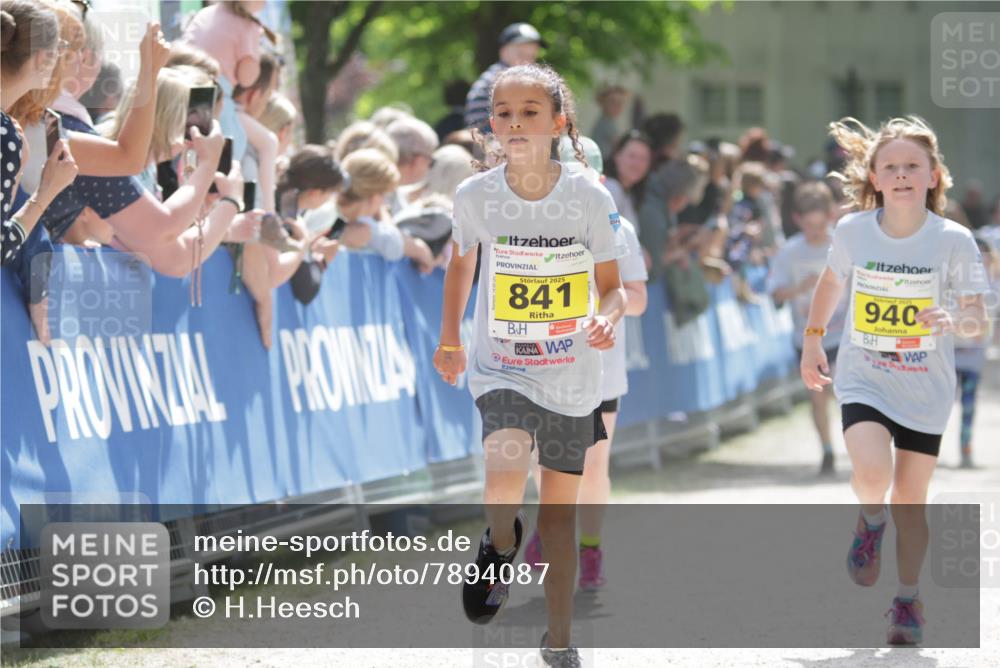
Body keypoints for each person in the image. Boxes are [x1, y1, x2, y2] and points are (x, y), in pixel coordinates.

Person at [434, 63, 625, 667]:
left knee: (559, 522)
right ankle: (497, 543)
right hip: (502, 366)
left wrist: (608, 317)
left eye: (530, 113)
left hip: (571, 375)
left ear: (558, 123)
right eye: (505, 113)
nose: (515, 123)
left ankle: (561, 638)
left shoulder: (588, 197)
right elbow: (460, 267)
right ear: (491, 125)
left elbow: (613, 287)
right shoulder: (475, 195)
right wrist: (450, 340)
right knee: (504, 461)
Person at [800, 116, 990, 645]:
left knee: (912, 499)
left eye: (913, 166)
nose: (902, 174)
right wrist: (813, 339)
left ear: (933, 176)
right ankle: (869, 518)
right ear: (875, 179)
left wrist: (956, 320)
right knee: (869, 468)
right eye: (891, 167)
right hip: (866, 375)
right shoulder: (854, 230)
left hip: (926, 388)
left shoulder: (954, 240)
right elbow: (831, 282)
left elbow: (981, 315)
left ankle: (907, 601)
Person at [522, 135, 648, 593]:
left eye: (582, 175)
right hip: (542, 360)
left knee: (593, 468)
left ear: (598, 178)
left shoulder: (619, 229)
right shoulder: (532, 222)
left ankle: (590, 545)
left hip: (599, 365)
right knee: (543, 459)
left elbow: (637, 298)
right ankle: (548, 527)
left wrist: (603, 308)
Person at [768, 181, 846, 474]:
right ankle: (827, 451)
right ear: (798, 220)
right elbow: (774, 293)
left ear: (831, 216)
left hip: (842, 333)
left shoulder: (841, 244)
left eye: (820, 223)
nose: (815, 231)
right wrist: (799, 287)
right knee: (817, 398)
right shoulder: (789, 252)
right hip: (806, 337)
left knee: (847, 395)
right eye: (808, 224)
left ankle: (857, 446)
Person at [1, 0, 78, 265]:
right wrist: (46, 191)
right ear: (42, 58)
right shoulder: (6, 136)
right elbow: (1, 247)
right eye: (60, 50)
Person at [953, 237, 998, 468]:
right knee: (939, 403)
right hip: (950, 352)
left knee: (968, 404)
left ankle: (965, 446)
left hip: (974, 355)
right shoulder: (954, 280)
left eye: (984, 255)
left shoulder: (996, 285)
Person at [463, 22, 545, 133]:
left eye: (531, 56)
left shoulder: (495, 74)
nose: (527, 62)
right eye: (521, 54)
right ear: (503, 51)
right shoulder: (505, 79)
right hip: (492, 140)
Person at [603, 129, 653, 227]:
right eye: (632, 156)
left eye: (643, 158)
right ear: (617, 156)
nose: (637, 164)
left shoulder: (627, 193)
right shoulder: (612, 189)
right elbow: (613, 230)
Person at [591, 85, 627, 159]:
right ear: (603, 103)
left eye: (620, 103)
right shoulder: (605, 122)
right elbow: (621, 145)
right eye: (612, 102)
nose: (617, 106)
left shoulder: (610, 121)